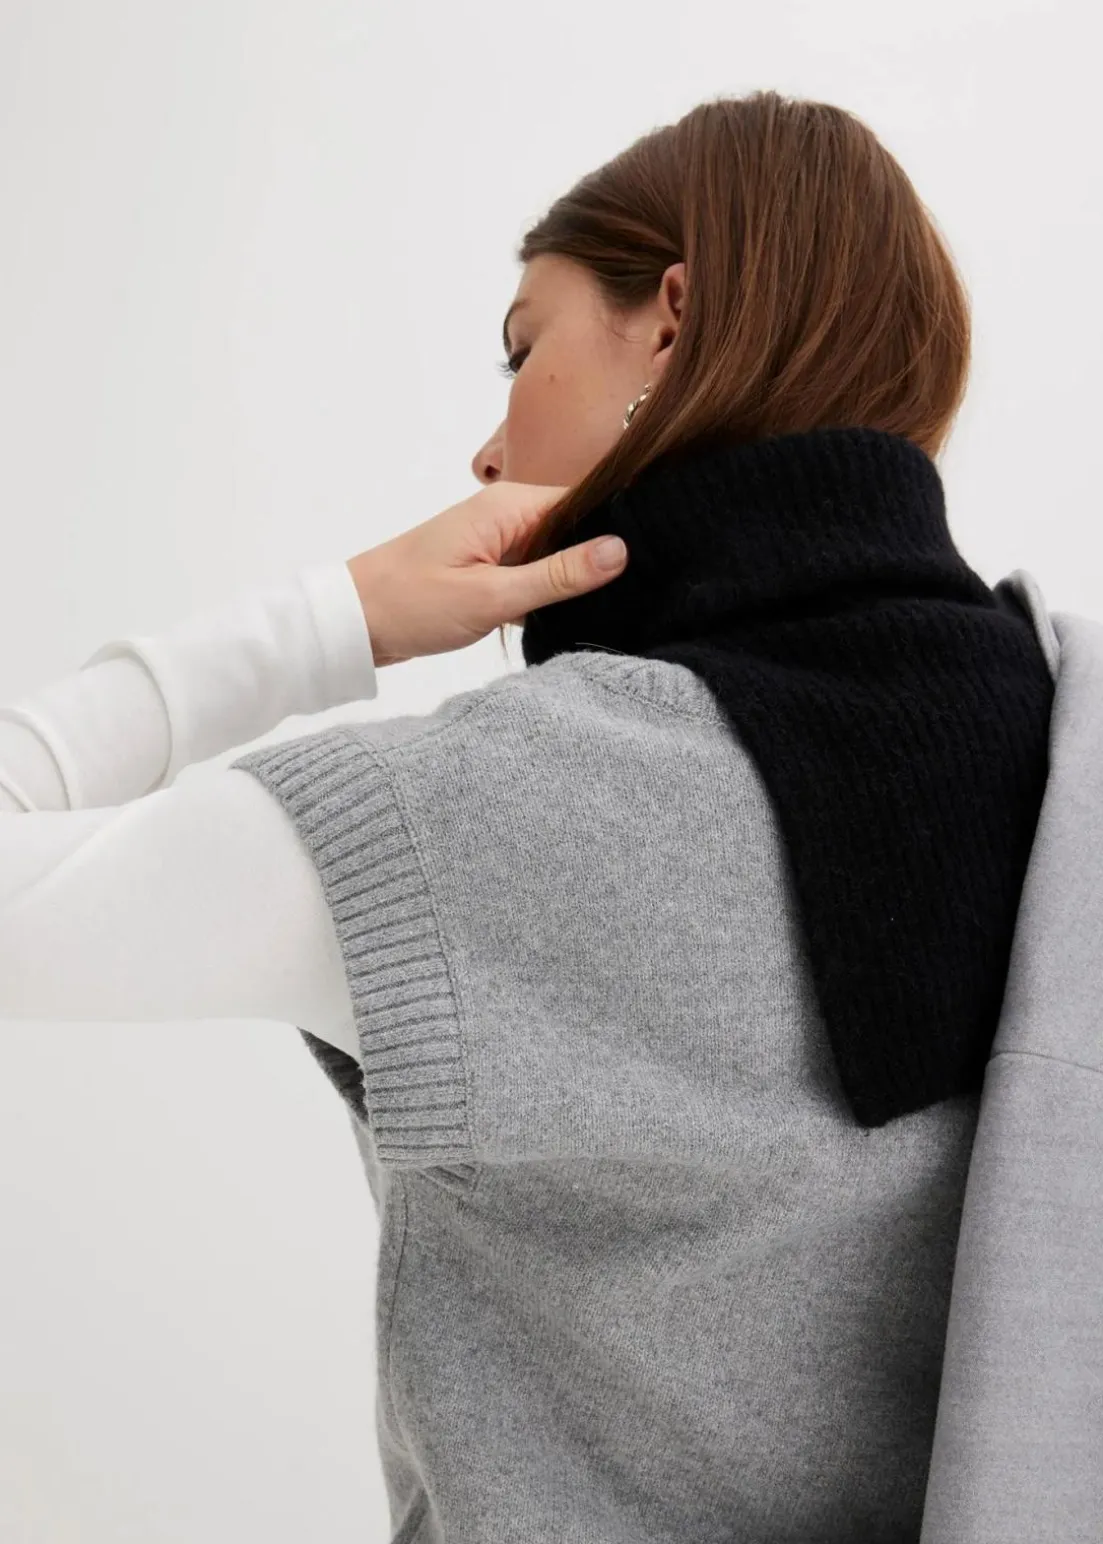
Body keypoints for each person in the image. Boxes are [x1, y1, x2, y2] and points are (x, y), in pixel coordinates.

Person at [0, 89, 1083, 1543]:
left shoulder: (490, 812)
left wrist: (335, 618)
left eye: (524, 348)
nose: (486, 446)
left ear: (673, 320)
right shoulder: (1069, 747)